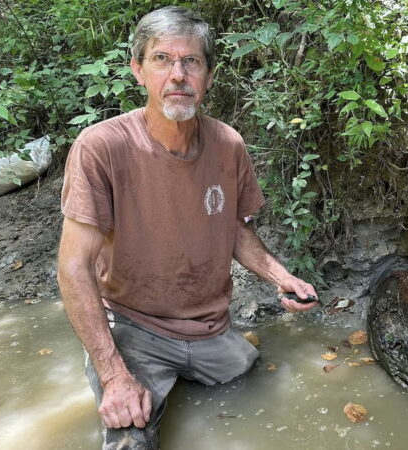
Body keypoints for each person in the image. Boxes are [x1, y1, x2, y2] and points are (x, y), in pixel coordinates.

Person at [56, 6, 318, 449]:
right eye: (162, 59)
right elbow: (74, 267)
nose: (177, 74)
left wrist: (282, 277)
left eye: (191, 61)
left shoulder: (227, 144)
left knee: (256, 382)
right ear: (138, 70)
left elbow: (234, 230)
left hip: (210, 327)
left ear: (209, 76)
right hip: (134, 325)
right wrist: (114, 373)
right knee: (130, 435)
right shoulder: (101, 147)